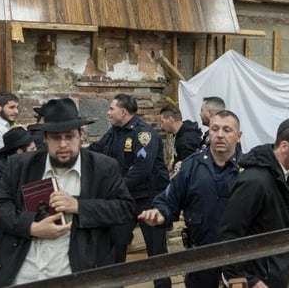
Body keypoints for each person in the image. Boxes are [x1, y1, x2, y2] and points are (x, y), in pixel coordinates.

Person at [0, 98, 134, 287]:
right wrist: (31, 227)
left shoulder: (103, 168)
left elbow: (125, 208)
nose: (63, 144)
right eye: (56, 137)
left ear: (81, 135)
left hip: (76, 273)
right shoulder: (21, 166)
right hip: (22, 274)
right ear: (45, 138)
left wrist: (78, 206)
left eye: (69, 136)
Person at [139, 110, 243, 288]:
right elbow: (168, 200)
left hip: (240, 262)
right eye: (215, 129)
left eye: (227, 130)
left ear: (238, 136)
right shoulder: (191, 167)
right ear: (208, 131)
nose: (219, 135)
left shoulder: (249, 170)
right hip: (200, 260)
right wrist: (160, 213)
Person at [218, 118, 289, 288]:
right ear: (284, 146)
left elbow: (266, 217)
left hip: (272, 275)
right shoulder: (255, 181)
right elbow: (229, 235)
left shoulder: (279, 175)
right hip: (257, 279)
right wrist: (249, 279)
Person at [88, 93, 170, 288]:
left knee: (156, 252)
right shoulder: (114, 131)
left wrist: (117, 187)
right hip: (125, 200)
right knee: (116, 247)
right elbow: (97, 149)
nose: (108, 113)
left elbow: (142, 168)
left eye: (111, 109)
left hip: (147, 200)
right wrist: (76, 151)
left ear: (123, 112)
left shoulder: (144, 134)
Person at [0, 126, 36, 198]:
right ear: (20, 152)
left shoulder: (37, 159)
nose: (36, 152)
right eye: (32, 149)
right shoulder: (1, 165)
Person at [158, 103, 202, 172]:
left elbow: (189, 170)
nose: (161, 126)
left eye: (162, 122)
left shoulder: (186, 140)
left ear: (170, 120)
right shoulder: (180, 134)